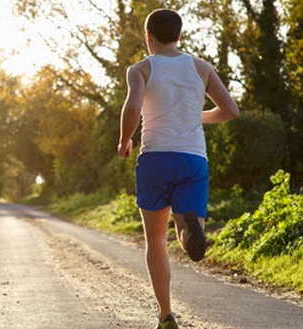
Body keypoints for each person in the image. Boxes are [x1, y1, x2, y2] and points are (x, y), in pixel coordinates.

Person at [117, 8, 239, 329]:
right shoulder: (200, 67)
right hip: (192, 159)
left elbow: (132, 106)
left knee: (155, 240)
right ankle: (189, 230)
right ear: (180, 36)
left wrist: (124, 140)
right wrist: (197, 116)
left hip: (156, 158)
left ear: (148, 37)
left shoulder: (141, 69)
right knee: (185, 228)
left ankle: (166, 314)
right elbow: (229, 110)